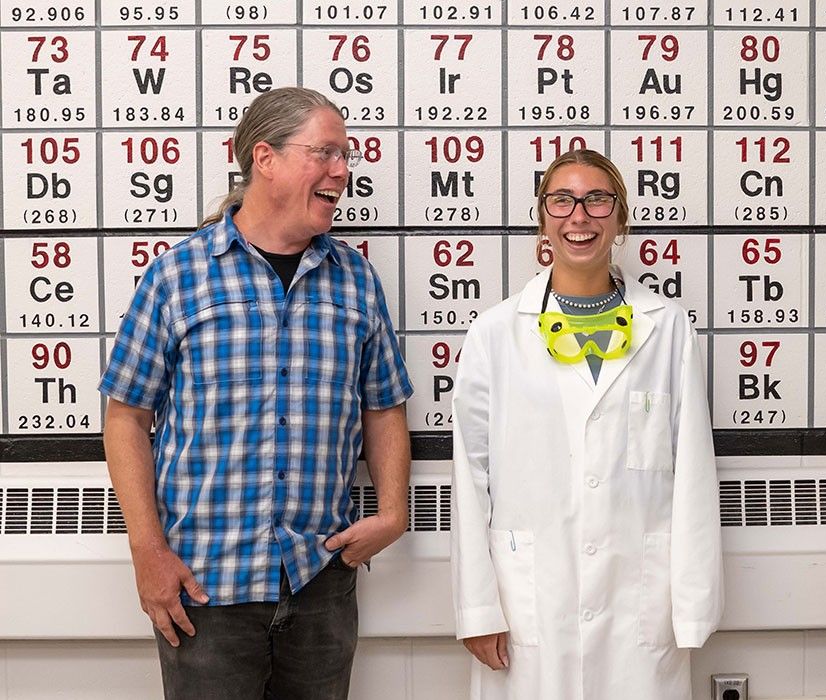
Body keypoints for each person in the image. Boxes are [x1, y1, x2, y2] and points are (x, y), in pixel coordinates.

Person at [100, 87, 413, 700]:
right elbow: (125, 418)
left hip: (322, 580)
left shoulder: (355, 279)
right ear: (264, 158)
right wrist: (147, 553)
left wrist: (395, 512)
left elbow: (383, 404)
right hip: (203, 588)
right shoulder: (177, 275)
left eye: (344, 155)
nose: (342, 171)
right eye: (324, 152)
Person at [450, 149, 723, 699]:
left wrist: (693, 605)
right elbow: (469, 475)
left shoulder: (666, 328)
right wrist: (478, 608)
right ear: (543, 218)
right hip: (529, 603)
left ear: (620, 219)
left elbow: (693, 471)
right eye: (563, 200)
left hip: (638, 603)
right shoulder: (496, 332)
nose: (580, 216)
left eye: (598, 199)